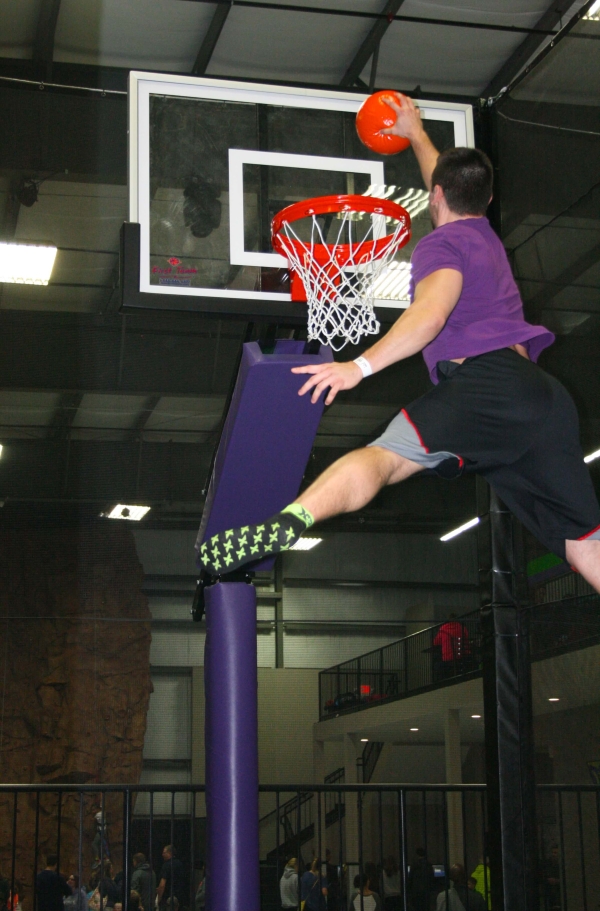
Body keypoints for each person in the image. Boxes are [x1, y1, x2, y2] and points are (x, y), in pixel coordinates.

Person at [198, 93, 600, 595]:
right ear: (487, 202)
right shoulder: (485, 236)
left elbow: (429, 316)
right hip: (543, 403)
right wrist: (416, 134)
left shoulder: (441, 245)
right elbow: (448, 184)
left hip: (488, 386)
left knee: (386, 460)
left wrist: (358, 368)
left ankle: (294, 518)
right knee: (585, 541)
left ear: (434, 199)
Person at [433, 614, 471, 678]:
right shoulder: (461, 628)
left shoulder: (443, 629)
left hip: (447, 658)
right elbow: (466, 638)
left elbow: (436, 642)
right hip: (460, 656)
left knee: (437, 665)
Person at [156, 846, 185, 911]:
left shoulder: (166, 865)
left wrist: (158, 899)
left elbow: (162, 884)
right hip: (179, 898)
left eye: (164, 852)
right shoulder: (180, 864)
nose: (162, 855)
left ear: (169, 853)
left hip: (167, 898)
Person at [542, 845, 561, 911]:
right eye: (552, 852)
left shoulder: (561, 864)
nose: (553, 855)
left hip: (559, 894)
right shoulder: (547, 864)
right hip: (550, 895)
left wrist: (556, 881)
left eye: (555, 853)